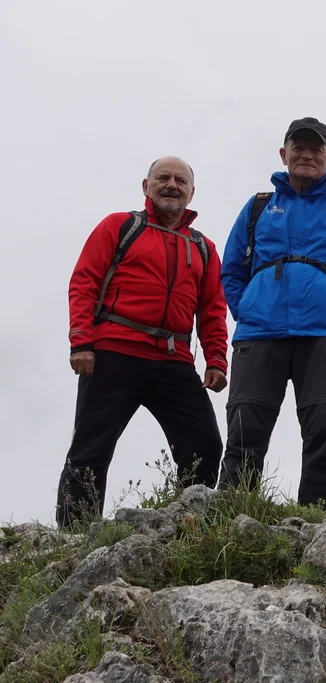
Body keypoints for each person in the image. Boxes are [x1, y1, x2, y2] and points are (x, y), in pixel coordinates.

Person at [219, 117, 326, 511]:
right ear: (283, 153)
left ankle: (314, 520)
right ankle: (231, 517)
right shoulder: (258, 207)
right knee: (245, 427)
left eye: (316, 148)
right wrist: (250, 310)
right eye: (299, 147)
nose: (307, 155)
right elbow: (231, 270)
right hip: (260, 333)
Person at [59, 156, 228, 527]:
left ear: (192, 192)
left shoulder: (203, 247)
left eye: (180, 180)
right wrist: (81, 341)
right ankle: (73, 535)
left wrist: (216, 358)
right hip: (112, 352)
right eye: (163, 178)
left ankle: (186, 525)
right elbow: (84, 281)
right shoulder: (120, 226)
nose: (172, 185)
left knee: (204, 444)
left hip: (174, 360)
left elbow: (213, 308)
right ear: (146, 186)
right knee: (91, 448)